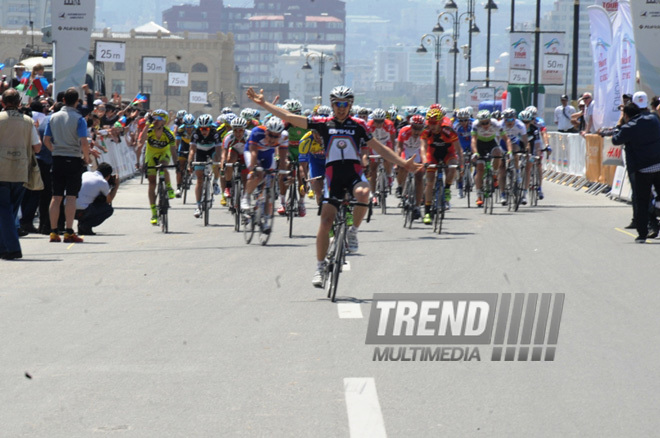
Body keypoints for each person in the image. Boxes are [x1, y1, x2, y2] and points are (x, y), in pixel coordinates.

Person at [245, 85, 422, 288]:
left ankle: (352, 232)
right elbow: (291, 117)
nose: (341, 108)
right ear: (332, 105)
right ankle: (320, 267)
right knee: (326, 220)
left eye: (345, 104)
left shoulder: (359, 125)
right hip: (333, 176)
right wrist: (263, 104)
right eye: (337, 104)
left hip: (354, 173)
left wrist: (403, 163)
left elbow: (379, 148)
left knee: (364, 193)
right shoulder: (323, 123)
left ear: (350, 105)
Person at [43, 87, 90, 243]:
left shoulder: (53, 117)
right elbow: (84, 142)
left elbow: (46, 140)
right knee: (71, 197)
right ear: (77, 102)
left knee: (56, 197)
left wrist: (55, 150)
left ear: (63, 100)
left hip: (57, 158)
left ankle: (53, 231)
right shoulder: (79, 119)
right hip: (73, 158)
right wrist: (86, 157)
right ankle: (69, 231)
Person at [0, 89, 42, 259]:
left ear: (3, 103)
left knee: (4, 210)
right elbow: (37, 146)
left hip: (2, 170)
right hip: (20, 170)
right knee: (9, 211)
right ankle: (4, 247)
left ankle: (13, 247)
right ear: (19, 103)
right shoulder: (28, 121)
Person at [610, 102, 660, 243]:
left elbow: (616, 140)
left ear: (626, 115)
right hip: (658, 164)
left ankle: (642, 234)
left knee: (642, 202)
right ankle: (656, 207)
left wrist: (618, 126)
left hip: (642, 168)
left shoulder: (628, 127)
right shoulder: (653, 119)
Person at [75, 162, 119, 235]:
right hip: (82, 211)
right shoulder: (103, 182)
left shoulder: (86, 174)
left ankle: (80, 226)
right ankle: (86, 225)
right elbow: (109, 200)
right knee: (108, 209)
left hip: (69, 210)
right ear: (108, 176)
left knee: (86, 200)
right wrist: (116, 185)